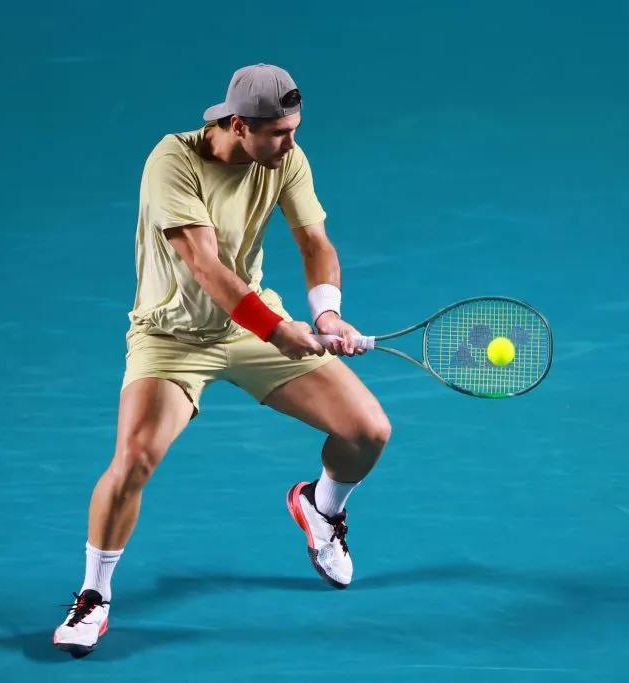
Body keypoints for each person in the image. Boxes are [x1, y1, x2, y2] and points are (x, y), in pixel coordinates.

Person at [53, 63, 392, 657]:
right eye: (279, 133)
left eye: (295, 129)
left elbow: (314, 242)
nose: (291, 143)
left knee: (368, 432)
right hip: (173, 337)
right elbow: (205, 267)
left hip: (253, 329)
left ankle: (320, 508)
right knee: (133, 460)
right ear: (238, 125)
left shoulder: (286, 158)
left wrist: (327, 315)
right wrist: (279, 329)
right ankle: (93, 596)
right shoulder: (172, 161)